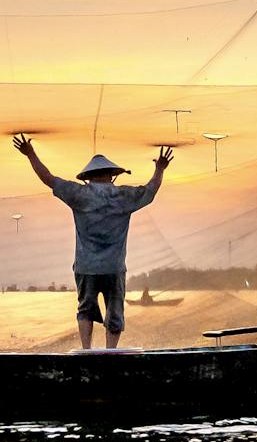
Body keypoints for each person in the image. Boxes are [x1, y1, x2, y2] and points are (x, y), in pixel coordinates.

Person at [13, 134, 172, 348]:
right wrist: (160, 168)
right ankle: (110, 352)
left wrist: (30, 154)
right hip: (114, 267)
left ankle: (86, 350)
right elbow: (151, 189)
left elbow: (48, 178)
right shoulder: (123, 196)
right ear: (111, 175)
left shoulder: (79, 194)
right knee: (115, 311)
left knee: (85, 308)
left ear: (88, 177)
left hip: (86, 266)